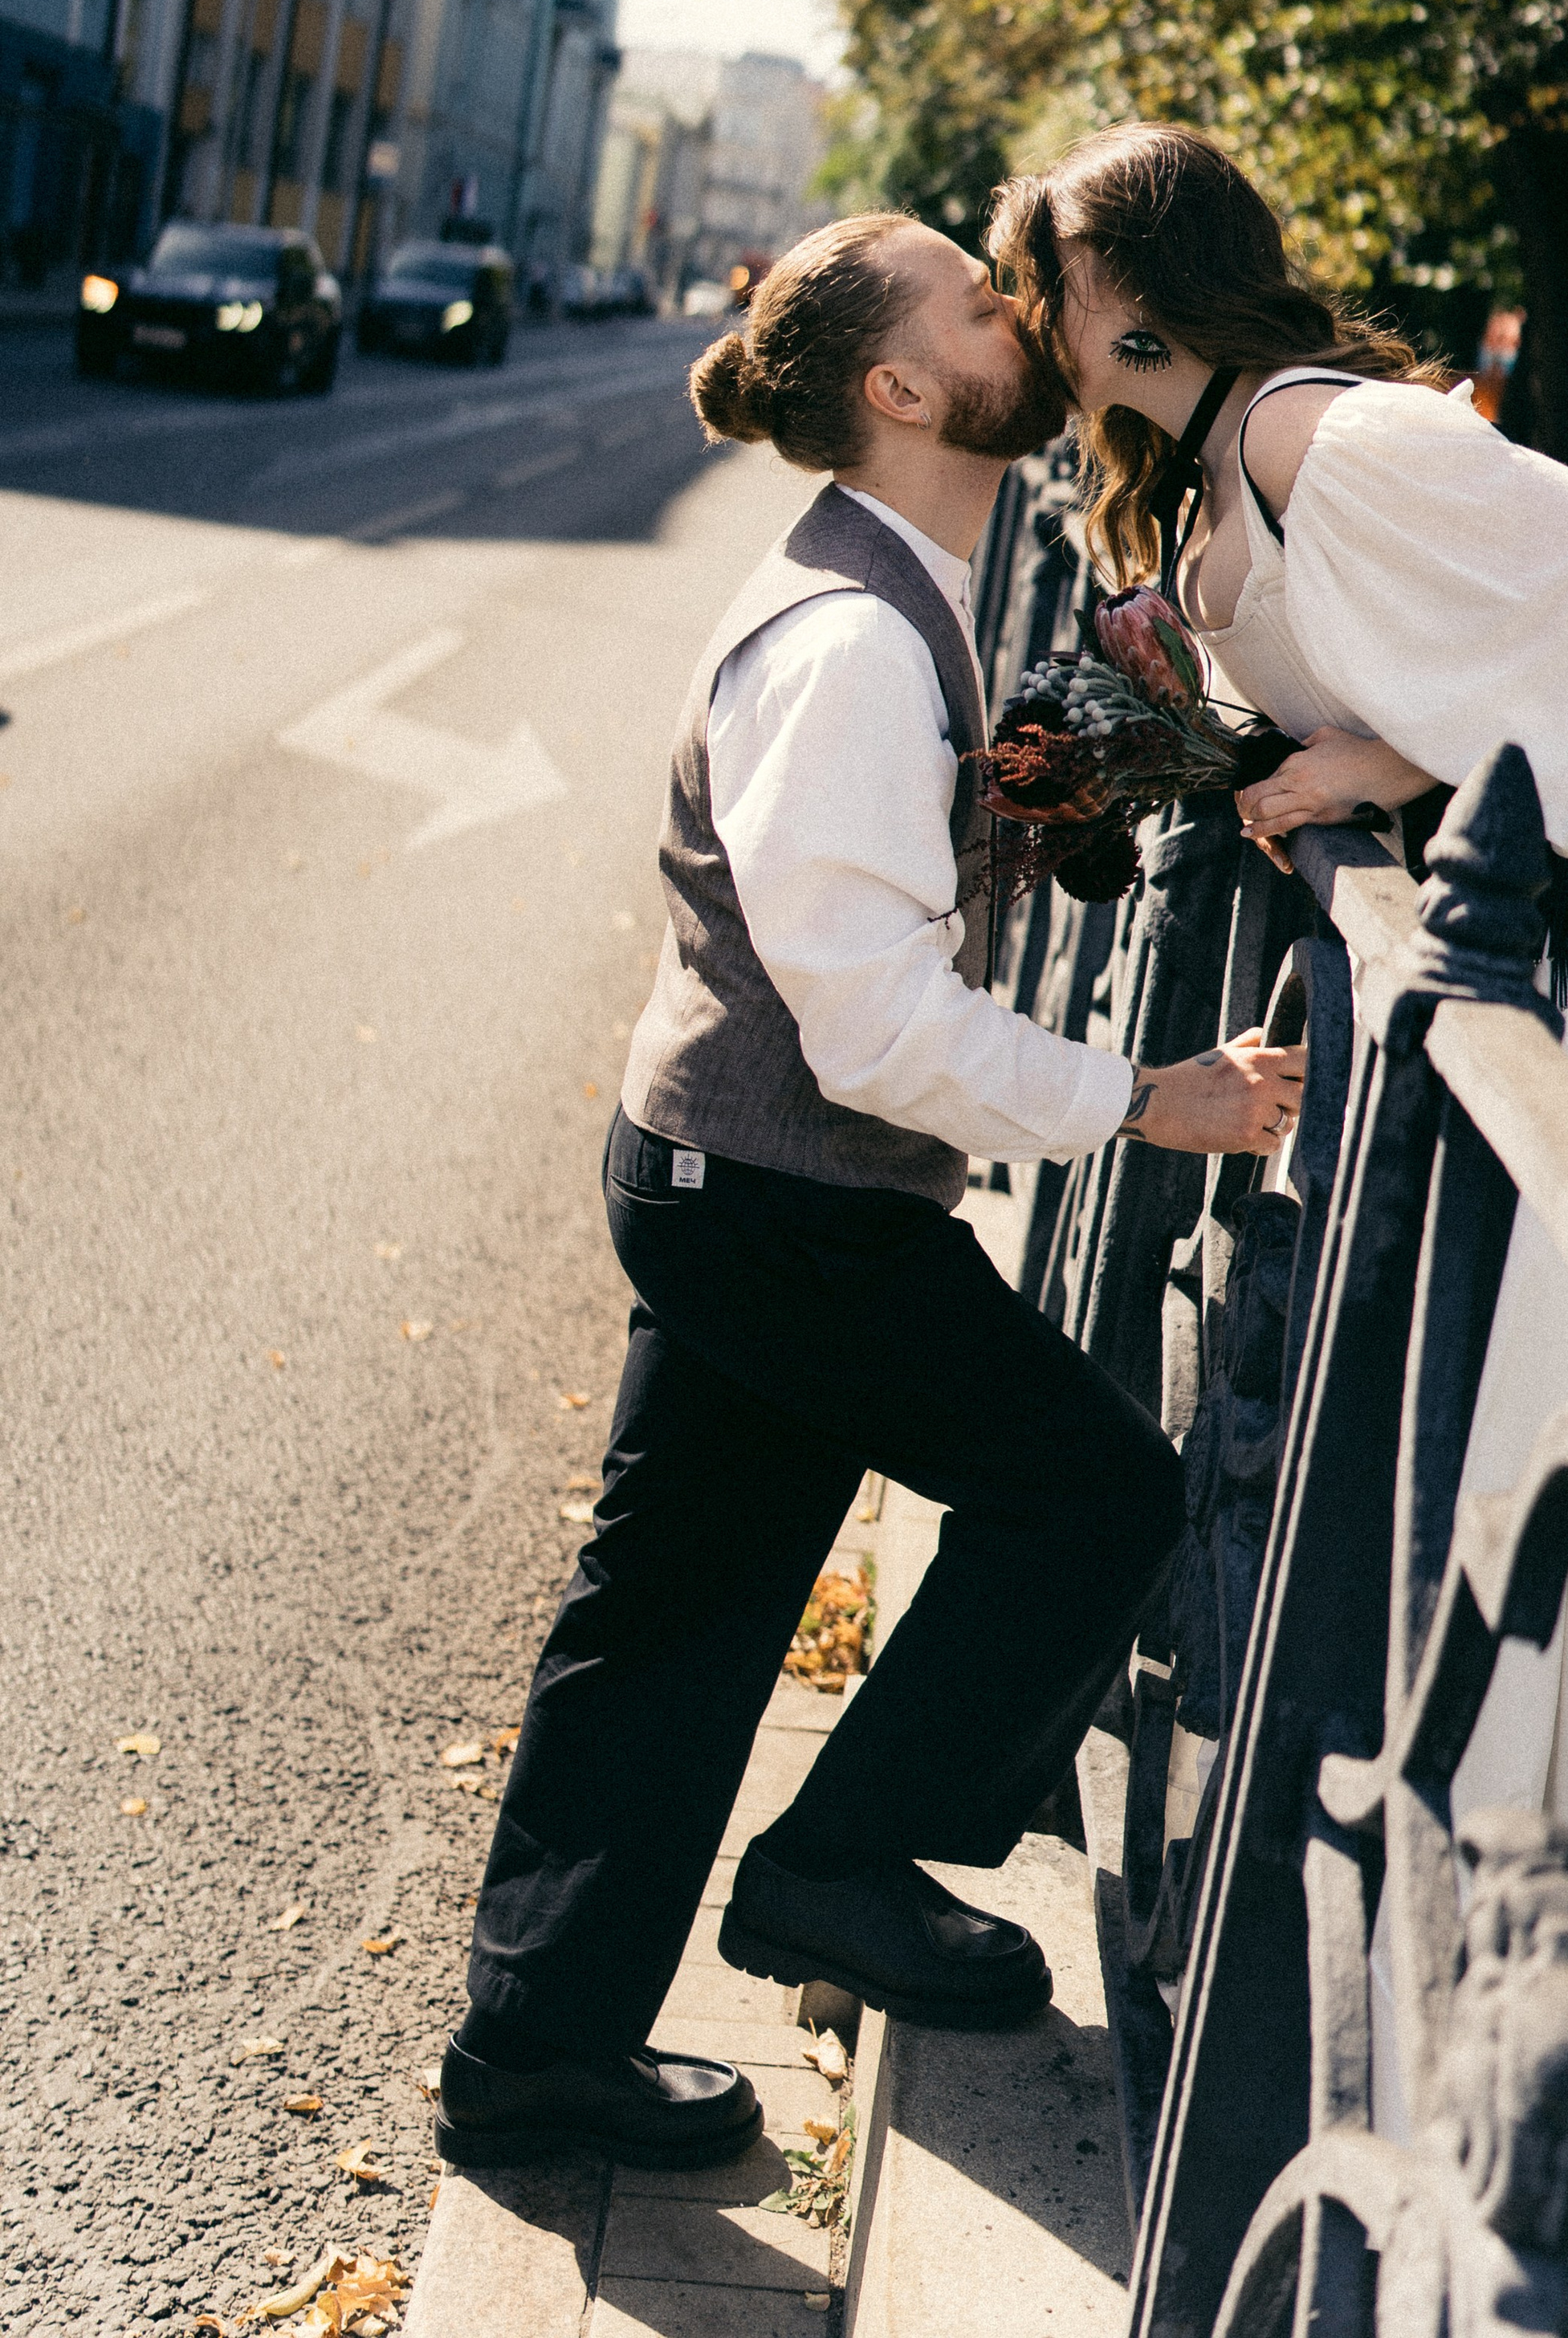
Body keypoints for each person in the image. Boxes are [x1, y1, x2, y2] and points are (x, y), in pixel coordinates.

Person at [988, 122, 1568, 2158]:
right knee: (1458, 1431)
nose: (1021, 315)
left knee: (1534, 1411)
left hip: (1562, 966)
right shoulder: (1209, 456)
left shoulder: (1316, 432)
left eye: (1029, 275)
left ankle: (1554, 1958)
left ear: (1121, 295)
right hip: (1455, 979)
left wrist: (1378, 755)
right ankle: (1456, 1948)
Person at [438, 210, 1305, 2174]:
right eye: (976, 298)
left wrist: (1081, 782)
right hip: (780, 1193)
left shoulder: (899, 586)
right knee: (1089, 1491)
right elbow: (871, 1029)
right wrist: (1144, 1099)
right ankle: (832, 1866)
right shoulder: (842, 639)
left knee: (668, 1623)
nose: (1023, 310)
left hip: (745, 1178)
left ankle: (537, 2055)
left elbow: (893, 898)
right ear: (904, 389)